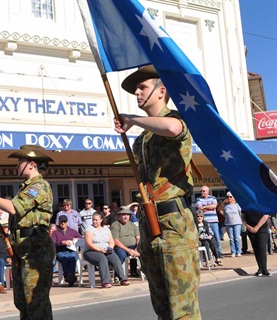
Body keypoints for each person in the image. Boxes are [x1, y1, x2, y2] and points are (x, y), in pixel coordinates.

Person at [114, 65, 200, 319]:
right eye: (136, 90)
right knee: (161, 304)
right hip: (150, 222)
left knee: (182, 308)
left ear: (161, 91)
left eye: (142, 87)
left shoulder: (178, 119)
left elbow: (172, 129)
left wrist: (131, 118)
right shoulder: (142, 139)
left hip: (174, 223)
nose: (137, 93)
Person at [0, 145, 56, 320]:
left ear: (32, 164)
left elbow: (13, 208)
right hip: (23, 248)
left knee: (35, 302)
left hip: (36, 249)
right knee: (22, 301)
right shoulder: (26, 187)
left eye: (21, 162)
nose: (17, 165)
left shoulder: (40, 186)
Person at [83, 212, 129, 288]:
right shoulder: (89, 230)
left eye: (96, 220)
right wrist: (100, 250)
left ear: (101, 220)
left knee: (115, 258)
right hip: (91, 251)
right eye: (93, 220)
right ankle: (105, 281)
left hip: (105, 250)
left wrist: (110, 248)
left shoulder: (106, 229)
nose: (94, 221)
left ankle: (122, 279)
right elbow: (89, 244)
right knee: (102, 258)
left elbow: (111, 241)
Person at [51, 215, 82, 286]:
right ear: (59, 222)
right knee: (64, 259)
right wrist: (61, 242)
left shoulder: (72, 231)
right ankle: (70, 277)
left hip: (72, 251)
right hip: (61, 251)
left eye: (64, 222)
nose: (63, 223)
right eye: (61, 222)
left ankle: (69, 276)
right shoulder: (55, 233)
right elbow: (53, 243)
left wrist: (76, 239)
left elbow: (82, 238)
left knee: (72, 258)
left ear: (67, 222)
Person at [110, 206, 140, 277]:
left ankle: (135, 271)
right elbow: (115, 240)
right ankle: (118, 275)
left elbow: (138, 238)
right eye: (124, 215)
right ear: (119, 216)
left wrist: (137, 248)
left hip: (134, 246)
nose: (126, 217)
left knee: (144, 253)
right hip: (120, 247)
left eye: (127, 215)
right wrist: (129, 250)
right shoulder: (115, 225)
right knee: (121, 255)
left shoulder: (133, 225)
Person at [242, 211, 271, 277]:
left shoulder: (262, 203)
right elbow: (243, 217)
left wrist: (256, 227)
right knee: (256, 249)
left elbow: (265, 215)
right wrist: (248, 226)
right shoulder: (246, 205)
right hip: (250, 229)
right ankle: (260, 268)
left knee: (262, 248)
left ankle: (264, 269)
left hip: (262, 228)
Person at [196, 186, 222, 257]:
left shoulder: (213, 198)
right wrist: (209, 207)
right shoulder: (198, 199)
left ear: (208, 191)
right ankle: (209, 255)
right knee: (206, 239)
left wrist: (204, 207)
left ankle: (219, 253)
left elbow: (214, 206)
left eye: (204, 191)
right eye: (201, 191)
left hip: (214, 221)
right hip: (204, 222)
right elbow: (199, 208)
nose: (202, 192)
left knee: (216, 237)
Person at [223, 192, 243, 257]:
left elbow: (240, 214)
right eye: (228, 197)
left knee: (237, 238)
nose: (229, 198)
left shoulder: (237, 205)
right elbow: (224, 213)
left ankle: (238, 251)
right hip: (228, 223)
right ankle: (233, 252)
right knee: (231, 238)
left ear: (234, 198)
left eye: (231, 197)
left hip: (237, 223)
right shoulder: (225, 206)